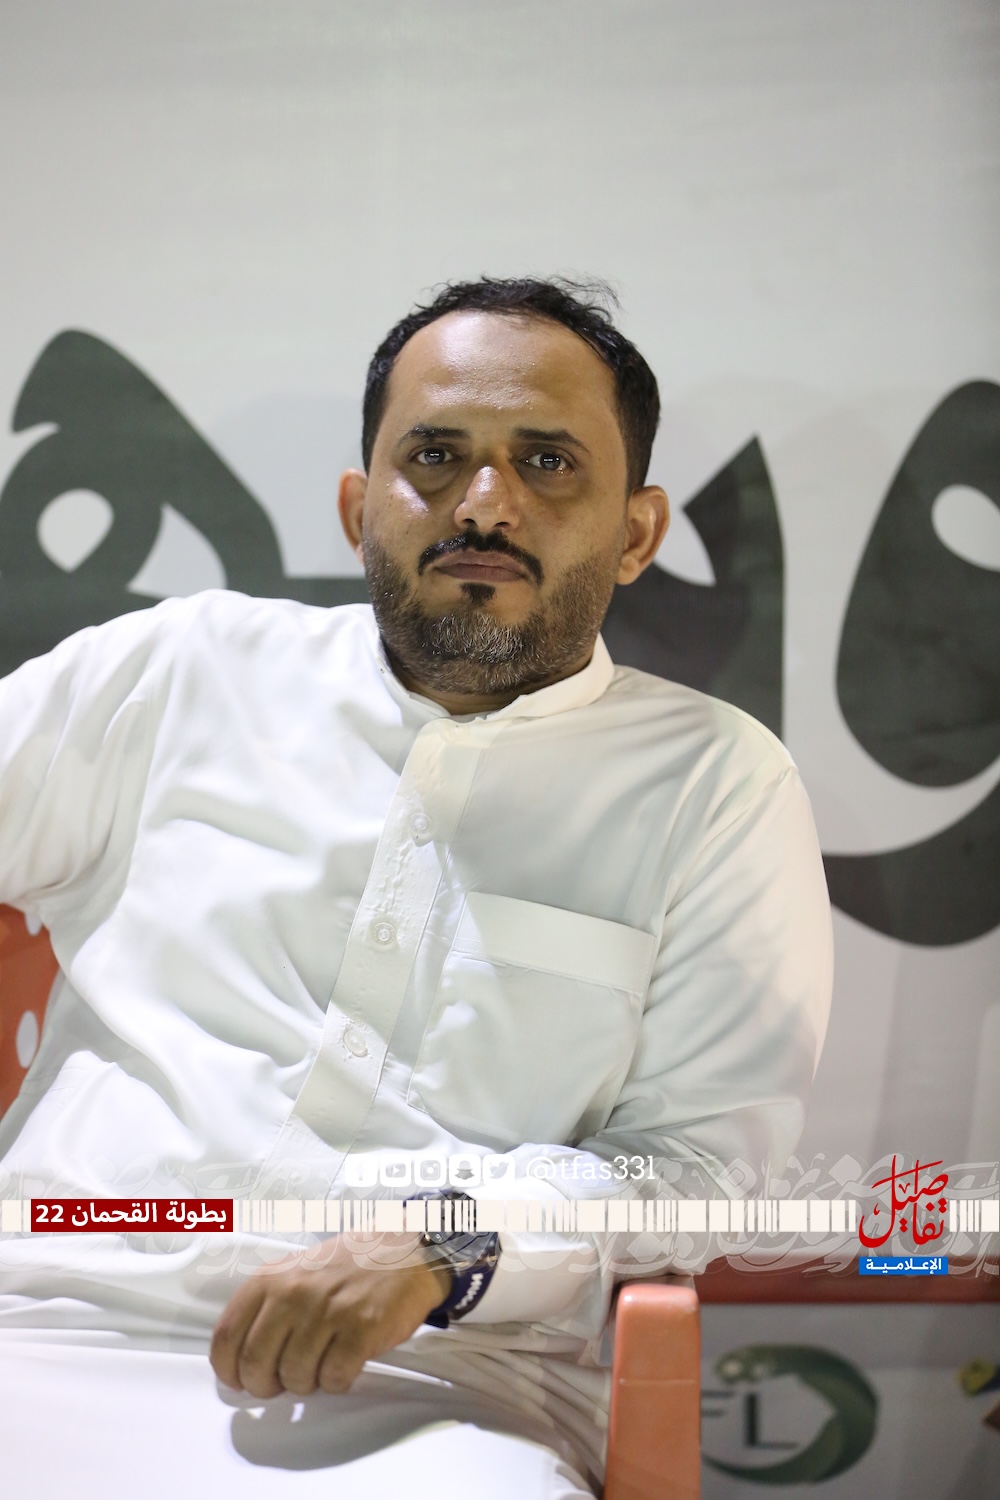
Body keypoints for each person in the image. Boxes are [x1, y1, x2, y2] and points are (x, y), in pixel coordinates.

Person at [0, 277, 832, 1498]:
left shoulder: (715, 784)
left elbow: (700, 1169)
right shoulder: (181, 671)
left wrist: (445, 1244)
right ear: (358, 509)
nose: (483, 502)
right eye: (434, 456)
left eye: (547, 461)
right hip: (41, 1317)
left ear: (637, 532)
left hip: (438, 1392)